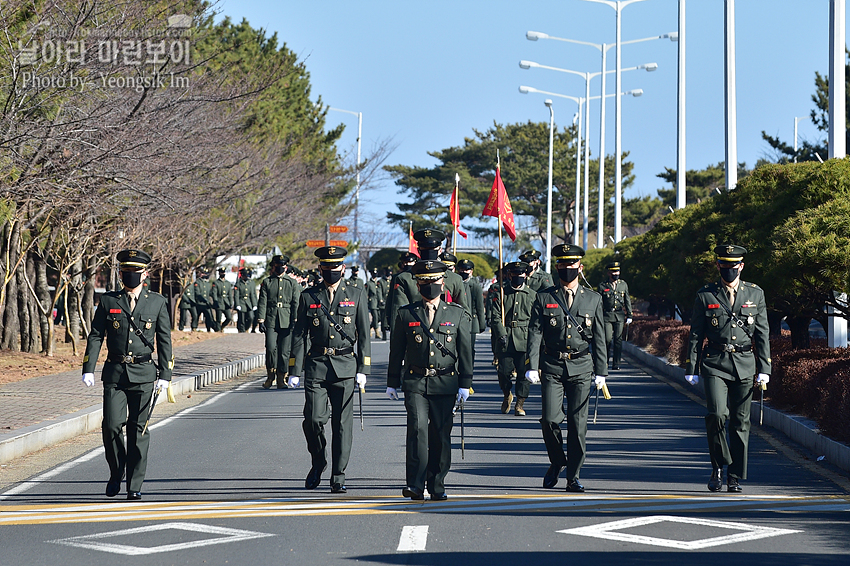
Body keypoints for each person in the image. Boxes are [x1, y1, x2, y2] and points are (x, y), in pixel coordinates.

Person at [82, 249, 173, 501]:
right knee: (110, 426)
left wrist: (166, 373)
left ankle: (134, 484)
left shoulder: (156, 302)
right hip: (115, 373)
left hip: (144, 374)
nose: (129, 276)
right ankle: (116, 470)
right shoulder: (110, 300)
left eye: (134, 272)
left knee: (138, 431)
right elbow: (96, 334)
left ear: (145, 274)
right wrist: (88, 367)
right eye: (125, 272)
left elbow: (165, 340)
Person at [684, 244, 771, 493]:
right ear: (718, 266)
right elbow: (696, 333)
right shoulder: (706, 294)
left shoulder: (755, 294)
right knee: (717, 415)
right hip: (715, 362)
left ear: (741, 266)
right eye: (723, 266)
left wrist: (764, 367)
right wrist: (692, 366)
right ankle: (718, 466)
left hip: (744, 363)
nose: (728, 271)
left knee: (741, 422)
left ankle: (734, 475)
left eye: (732, 267)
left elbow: (763, 333)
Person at [387, 260, 473, 501]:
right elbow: (397, 350)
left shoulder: (457, 314)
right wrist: (392, 382)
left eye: (434, 281)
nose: (429, 286)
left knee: (441, 435)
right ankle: (415, 484)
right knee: (417, 430)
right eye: (424, 281)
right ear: (417, 284)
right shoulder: (406, 314)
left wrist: (465, 383)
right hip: (415, 382)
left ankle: (437, 483)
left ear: (442, 283)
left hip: (445, 382)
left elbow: (466, 351)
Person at [288, 246, 371, 493]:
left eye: (336, 267)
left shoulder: (356, 294)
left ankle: (339, 475)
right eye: (327, 268)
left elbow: (364, 333)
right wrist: (294, 369)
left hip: (345, 366)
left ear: (343, 268)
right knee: (313, 419)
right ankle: (319, 461)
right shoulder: (309, 296)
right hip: (317, 366)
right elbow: (300, 335)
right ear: (321, 269)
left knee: (342, 426)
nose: (332, 271)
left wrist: (363, 368)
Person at [526, 244, 607, 493]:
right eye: (562, 266)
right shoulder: (545, 297)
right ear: (556, 268)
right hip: (552, 366)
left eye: (571, 266)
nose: (566, 270)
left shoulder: (593, 299)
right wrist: (532, 365)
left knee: (577, 424)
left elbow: (600, 337)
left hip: (582, 367)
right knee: (550, 419)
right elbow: (535, 334)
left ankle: (573, 475)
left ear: (580, 268)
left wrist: (601, 372)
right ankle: (557, 461)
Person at [492, 261, 536, 416]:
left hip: (524, 340)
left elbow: (535, 321)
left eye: (521, 274)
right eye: (515, 274)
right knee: (503, 372)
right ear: (510, 275)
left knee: (524, 374)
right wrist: (501, 333)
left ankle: (520, 403)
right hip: (506, 338)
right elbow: (496, 317)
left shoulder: (532, 295)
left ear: (525, 275)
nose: (518, 277)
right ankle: (507, 394)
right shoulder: (501, 293)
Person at [257, 255, 299, 389]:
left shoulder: (291, 283)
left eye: (282, 266)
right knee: (270, 348)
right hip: (271, 319)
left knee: (284, 351)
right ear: (274, 266)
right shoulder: (267, 282)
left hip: (286, 319)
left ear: (286, 267)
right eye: (277, 266)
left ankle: (282, 377)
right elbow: (262, 302)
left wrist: (295, 319)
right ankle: (270, 376)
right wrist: (261, 320)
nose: (280, 268)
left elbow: (295, 302)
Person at [598, 261, 633, 370]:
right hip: (607, 315)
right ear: (609, 273)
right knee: (607, 339)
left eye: (617, 271)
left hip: (619, 315)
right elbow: (599, 302)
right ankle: (606, 361)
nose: (616, 273)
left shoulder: (623, 284)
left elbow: (627, 300)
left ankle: (616, 363)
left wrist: (630, 314)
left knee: (618, 340)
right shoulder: (603, 285)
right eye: (613, 271)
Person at [457, 259, 486, 363]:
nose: (464, 272)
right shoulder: (455, 283)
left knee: (468, 350)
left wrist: (481, 325)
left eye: (467, 270)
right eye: (462, 269)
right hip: (456, 320)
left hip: (470, 323)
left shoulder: (475, 286)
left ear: (471, 271)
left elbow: (479, 307)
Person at [233, 267, 258, 333]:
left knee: (251, 317)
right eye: (245, 275)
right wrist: (237, 304)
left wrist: (255, 304)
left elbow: (253, 294)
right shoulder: (238, 283)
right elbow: (236, 295)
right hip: (241, 302)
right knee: (242, 318)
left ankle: (246, 328)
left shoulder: (251, 282)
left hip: (249, 303)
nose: (246, 277)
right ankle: (241, 330)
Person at [211, 267, 234, 331]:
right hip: (219, 302)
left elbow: (229, 294)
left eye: (223, 272)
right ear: (219, 273)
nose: (222, 273)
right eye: (221, 272)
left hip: (226, 303)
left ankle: (222, 327)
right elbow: (214, 293)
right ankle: (218, 330)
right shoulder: (216, 283)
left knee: (229, 317)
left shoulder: (228, 283)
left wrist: (231, 303)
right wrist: (215, 301)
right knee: (218, 319)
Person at [377, 267, 392, 340]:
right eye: (387, 272)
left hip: (391, 302)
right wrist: (381, 300)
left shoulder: (393, 280)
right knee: (383, 320)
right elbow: (379, 291)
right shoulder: (381, 281)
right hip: (384, 304)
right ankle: (384, 334)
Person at [366, 268, 381, 339]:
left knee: (379, 317)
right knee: (375, 317)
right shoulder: (369, 283)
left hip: (378, 302)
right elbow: (366, 294)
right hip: (372, 302)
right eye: (373, 273)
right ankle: (377, 333)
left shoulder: (378, 283)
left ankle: (368, 328)